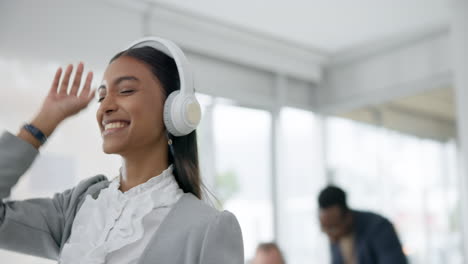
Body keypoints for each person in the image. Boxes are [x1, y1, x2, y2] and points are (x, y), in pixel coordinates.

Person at [0, 37, 243, 263]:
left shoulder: (209, 227)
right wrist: (41, 124)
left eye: (126, 90)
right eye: (101, 96)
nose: (106, 106)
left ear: (174, 109)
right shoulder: (79, 206)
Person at [318, 185, 407, 264]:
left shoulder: (379, 227)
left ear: (347, 217)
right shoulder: (335, 235)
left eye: (333, 228)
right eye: (324, 228)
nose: (330, 237)